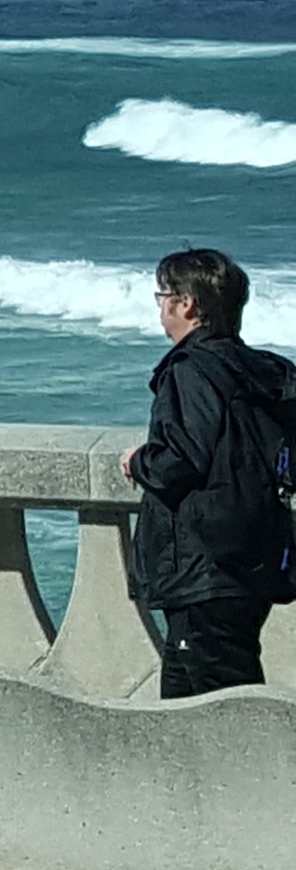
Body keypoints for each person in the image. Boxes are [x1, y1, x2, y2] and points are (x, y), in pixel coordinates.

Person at [121, 248, 296, 697]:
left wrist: (138, 460)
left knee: (225, 704)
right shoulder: (268, 372)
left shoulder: (190, 371)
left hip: (203, 567)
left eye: (163, 296)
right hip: (253, 557)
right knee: (184, 698)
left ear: (188, 306)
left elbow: (181, 460)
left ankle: (264, 770)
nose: (160, 307)